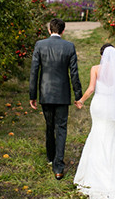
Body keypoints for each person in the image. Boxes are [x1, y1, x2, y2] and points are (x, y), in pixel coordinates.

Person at [74, 44, 115, 199]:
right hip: (111, 107)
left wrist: (81, 101)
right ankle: (113, 173)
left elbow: (91, 89)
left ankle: (95, 174)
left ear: (101, 55)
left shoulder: (95, 69)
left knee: (96, 133)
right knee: (110, 136)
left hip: (99, 106)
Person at [29, 18, 83, 180]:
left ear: (49, 30)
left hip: (46, 92)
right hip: (62, 94)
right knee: (61, 128)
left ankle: (51, 157)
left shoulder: (40, 45)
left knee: (49, 126)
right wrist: (78, 95)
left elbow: (34, 71)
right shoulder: (69, 46)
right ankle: (58, 166)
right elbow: (74, 73)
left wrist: (33, 95)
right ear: (63, 31)